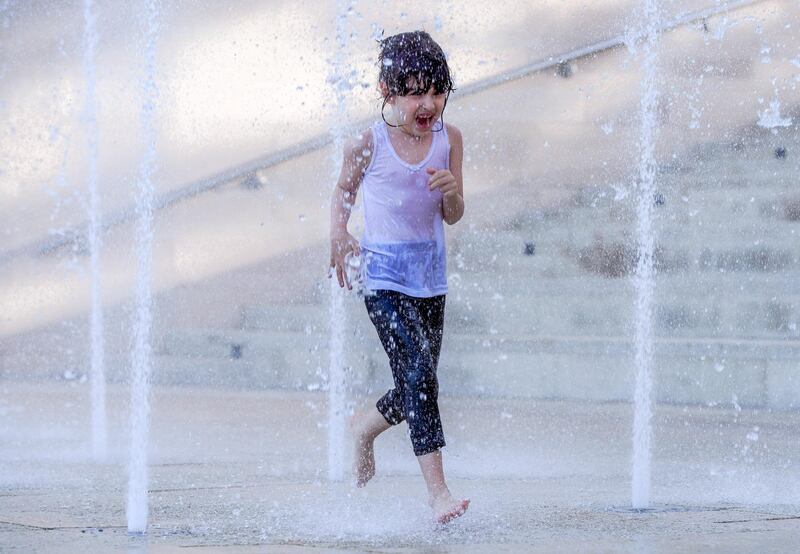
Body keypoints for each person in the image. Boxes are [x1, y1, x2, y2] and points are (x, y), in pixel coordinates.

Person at [328, 30, 468, 525]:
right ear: (387, 90)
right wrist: (339, 234)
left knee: (420, 379)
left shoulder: (448, 140)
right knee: (418, 379)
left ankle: (364, 428)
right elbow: (344, 189)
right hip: (382, 279)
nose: (428, 103)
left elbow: (453, 214)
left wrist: (450, 191)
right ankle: (439, 494)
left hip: (431, 281)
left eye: (437, 90)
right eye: (415, 92)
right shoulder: (370, 142)